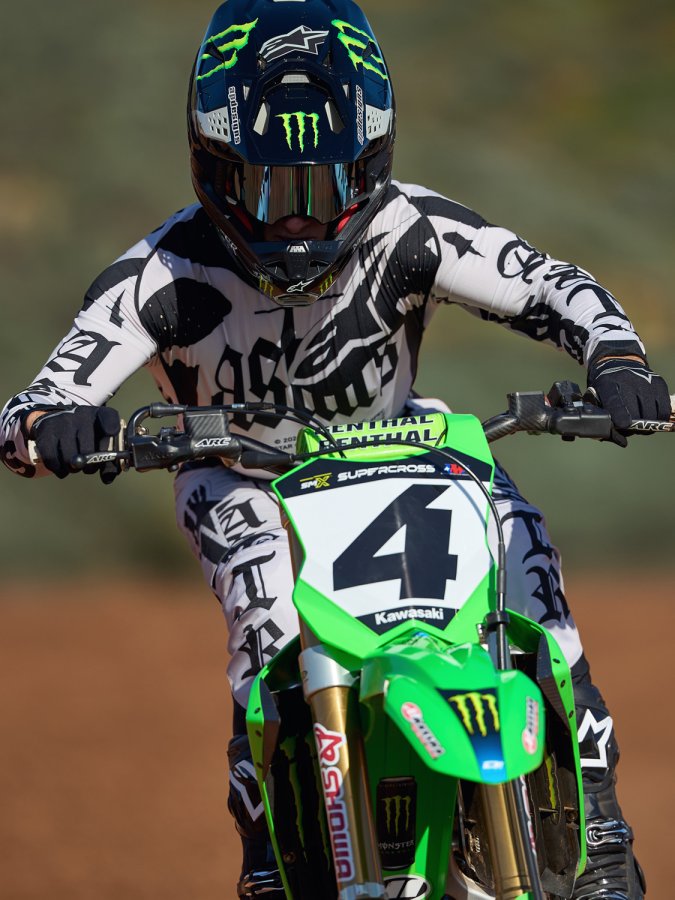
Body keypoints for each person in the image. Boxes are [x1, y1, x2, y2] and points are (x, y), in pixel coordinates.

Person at [1, 1, 669, 897]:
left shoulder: (411, 226)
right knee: (271, 620)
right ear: (212, 168)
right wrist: (55, 428)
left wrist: (616, 358)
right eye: (266, 189)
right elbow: (35, 402)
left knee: (527, 562)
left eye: (323, 189)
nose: (296, 222)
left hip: (409, 452)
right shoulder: (157, 273)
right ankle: (270, 860)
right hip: (243, 478)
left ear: (372, 164)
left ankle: (601, 836)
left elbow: (554, 284)